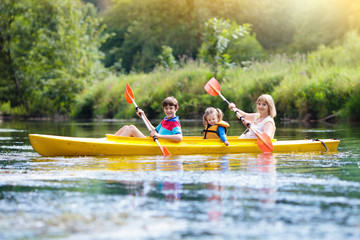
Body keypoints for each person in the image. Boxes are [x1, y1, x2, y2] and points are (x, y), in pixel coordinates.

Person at [114, 96, 182, 142]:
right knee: (126, 127)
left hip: (156, 144)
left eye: (171, 108)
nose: (168, 111)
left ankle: (115, 145)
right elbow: (154, 130)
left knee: (131, 128)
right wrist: (143, 116)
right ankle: (109, 141)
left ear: (176, 108)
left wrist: (159, 136)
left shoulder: (174, 122)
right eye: (166, 108)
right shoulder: (165, 120)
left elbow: (179, 138)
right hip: (153, 142)